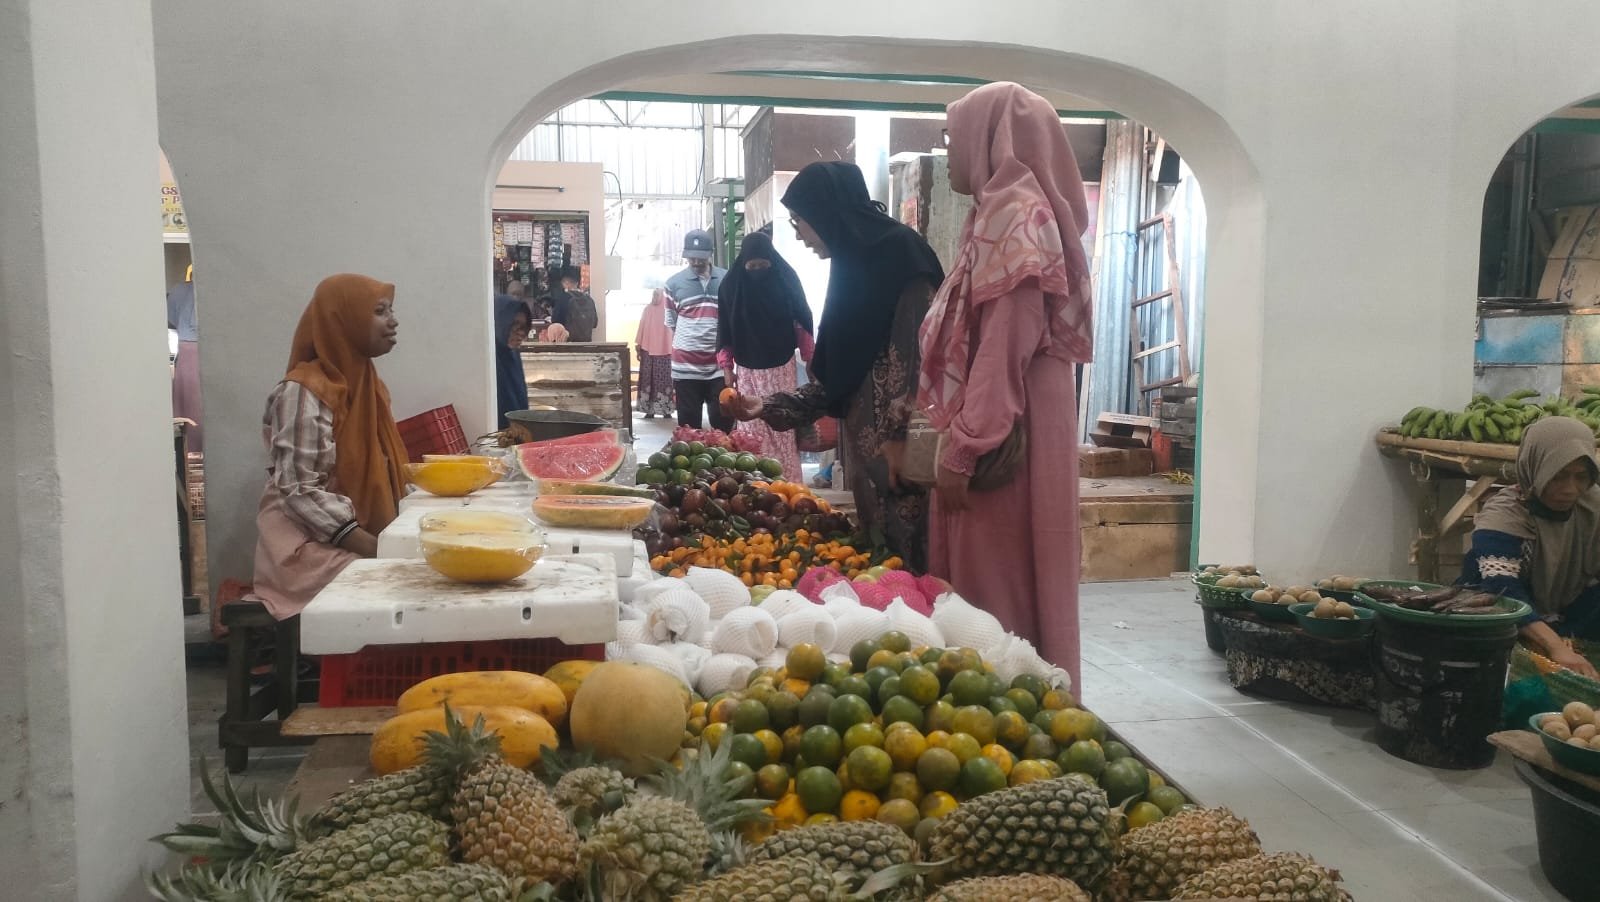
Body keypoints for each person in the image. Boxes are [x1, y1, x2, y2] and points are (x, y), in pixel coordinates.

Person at [917, 82, 1096, 688]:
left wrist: (968, 444)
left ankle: (1008, 714)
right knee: (1007, 572)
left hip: (1007, 426)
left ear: (991, 136)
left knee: (999, 583)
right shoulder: (1003, 211)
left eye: (952, 138)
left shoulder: (1016, 215)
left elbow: (1005, 343)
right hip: (1018, 411)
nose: (947, 154)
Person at [730, 162, 944, 571]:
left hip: (905, 458)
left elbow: (922, 364)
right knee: (880, 564)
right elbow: (838, 377)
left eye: (800, 221)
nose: (798, 233)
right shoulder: (851, 270)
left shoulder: (902, 259)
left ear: (827, 212)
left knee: (915, 567)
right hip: (867, 460)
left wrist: (902, 440)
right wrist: (768, 406)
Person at [249, 273, 408, 620]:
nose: (393, 321)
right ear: (344, 319)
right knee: (411, 581)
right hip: (306, 549)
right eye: (380, 311)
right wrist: (381, 549)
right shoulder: (304, 393)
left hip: (351, 538)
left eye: (391, 310)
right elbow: (301, 492)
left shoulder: (369, 386)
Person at [1466, 416, 1600, 678]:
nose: (1570, 489)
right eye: (1557, 476)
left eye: (1580, 477)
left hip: (1566, 615)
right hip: (1502, 616)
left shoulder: (1592, 507)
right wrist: (1555, 647)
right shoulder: (1504, 514)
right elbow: (1503, 590)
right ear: (1535, 468)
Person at [716, 228, 813, 481]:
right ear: (743, 264)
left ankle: (788, 484)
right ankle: (753, 485)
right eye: (752, 266)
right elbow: (724, 331)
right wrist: (727, 369)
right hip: (746, 370)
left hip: (781, 366)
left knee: (782, 425)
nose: (758, 271)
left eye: (763, 265)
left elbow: (802, 322)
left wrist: (811, 359)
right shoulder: (731, 285)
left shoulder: (786, 278)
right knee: (751, 431)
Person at [664, 229, 730, 430]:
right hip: (686, 368)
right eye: (691, 258)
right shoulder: (673, 283)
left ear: (711, 253)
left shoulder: (727, 279)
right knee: (688, 426)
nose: (696, 262)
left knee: (723, 423)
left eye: (700, 258)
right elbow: (672, 322)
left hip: (718, 366)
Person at [168, 264, 204, 453]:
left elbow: (171, 319)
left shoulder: (178, 290)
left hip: (186, 350)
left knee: (189, 411)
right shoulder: (183, 290)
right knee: (194, 411)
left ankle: (191, 455)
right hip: (192, 350)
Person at [635, 286, 676, 418]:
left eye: (656, 295)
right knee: (651, 381)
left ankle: (663, 410)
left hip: (662, 352)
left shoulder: (668, 310)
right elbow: (642, 327)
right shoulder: (648, 309)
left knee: (661, 381)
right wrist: (638, 345)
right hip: (653, 352)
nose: (654, 298)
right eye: (653, 295)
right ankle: (651, 410)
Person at [494, 291, 532, 428]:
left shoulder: (513, 354)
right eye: (514, 325)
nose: (521, 333)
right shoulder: (489, 360)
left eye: (524, 327)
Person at [552, 266, 598, 342]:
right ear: (577, 283)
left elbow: (556, 321)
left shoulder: (563, 298)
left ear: (565, 283)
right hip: (586, 345)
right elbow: (595, 324)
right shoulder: (589, 299)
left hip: (569, 344)